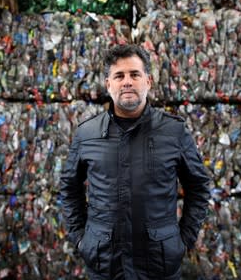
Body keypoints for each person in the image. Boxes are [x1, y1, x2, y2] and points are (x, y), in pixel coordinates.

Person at [60, 44, 211, 280]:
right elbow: (69, 188)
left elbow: (199, 186)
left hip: (159, 264)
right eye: (119, 76)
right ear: (108, 84)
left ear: (148, 81)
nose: (127, 82)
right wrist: (81, 239)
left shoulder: (173, 132)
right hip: (105, 265)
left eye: (134, 74)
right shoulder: (87, 134)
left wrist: (184, 240)